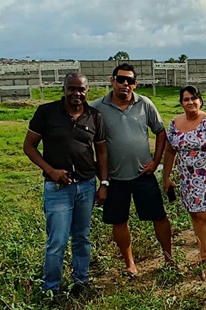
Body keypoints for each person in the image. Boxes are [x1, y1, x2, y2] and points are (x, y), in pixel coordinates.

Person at [23, 72, 108, 297]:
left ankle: (81, 283)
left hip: (87, 186)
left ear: (88, 91)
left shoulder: (94, 115)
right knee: (57, 241)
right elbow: (29, 147)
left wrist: (104, 183)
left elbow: (101, 151)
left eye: (81, 89)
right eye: (72, 88)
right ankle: (50, 290)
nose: (76, 93)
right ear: (64, 89)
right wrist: (50, 171)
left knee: (82, 237)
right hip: (58, 189)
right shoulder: (46, 112)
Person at [91, 63, 172, 276]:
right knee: (119, 221)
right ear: (112, 81)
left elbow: (160, 132)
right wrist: (101, 178)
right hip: (114, 178)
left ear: (135, 84)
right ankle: (130, 264)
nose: (124, 84)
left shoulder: (145, 104)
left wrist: (155, 161)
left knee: (159, 217)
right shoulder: (97, 107)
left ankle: (169, 258)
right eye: (120, 79)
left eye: (129, 81)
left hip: (142, 174)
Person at [162, 85, 206, 280]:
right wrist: (166, 177)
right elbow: (169, 151)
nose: (190, 102)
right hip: (188, 180)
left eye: (194, 98)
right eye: (186, 99)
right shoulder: (175, 123)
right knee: (195, 217)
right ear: (181, 102)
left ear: (200, 100)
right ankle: (203, 254)